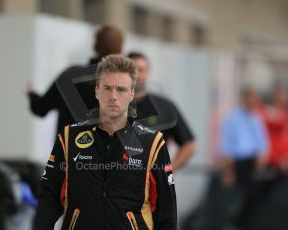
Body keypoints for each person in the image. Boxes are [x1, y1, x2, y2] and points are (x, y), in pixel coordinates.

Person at [35, 55, 177, 230]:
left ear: (132, 93)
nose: (113, 96)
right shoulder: (69, 137)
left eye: (121, 89)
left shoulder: (152, 142)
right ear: (97, 90)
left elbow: (167, 212)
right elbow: (48, 197)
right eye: (107, 88)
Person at [27, 25, 124, 136]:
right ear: (121, 50)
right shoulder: (123, 83)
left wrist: (31, 94)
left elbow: (40, 108)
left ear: (94, 46)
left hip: (67, 149)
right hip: (102, 151)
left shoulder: (70, 75)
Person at [128, 52, 195, 172]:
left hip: (153, 183)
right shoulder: (114, 106)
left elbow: (189, 146)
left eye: (141, 70)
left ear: (148, 72)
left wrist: (167, 171)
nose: (137, 75)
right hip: (120, 179)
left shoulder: (163, 106)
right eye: (132, 71)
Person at [220, 87, 268, 187]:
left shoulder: (256, 118)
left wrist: (262, 154)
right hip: (237, 161)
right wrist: (228, 167)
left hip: (252, 161)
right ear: (244, 98)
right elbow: (226, 142)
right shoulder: (233, 118)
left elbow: (262, 140)